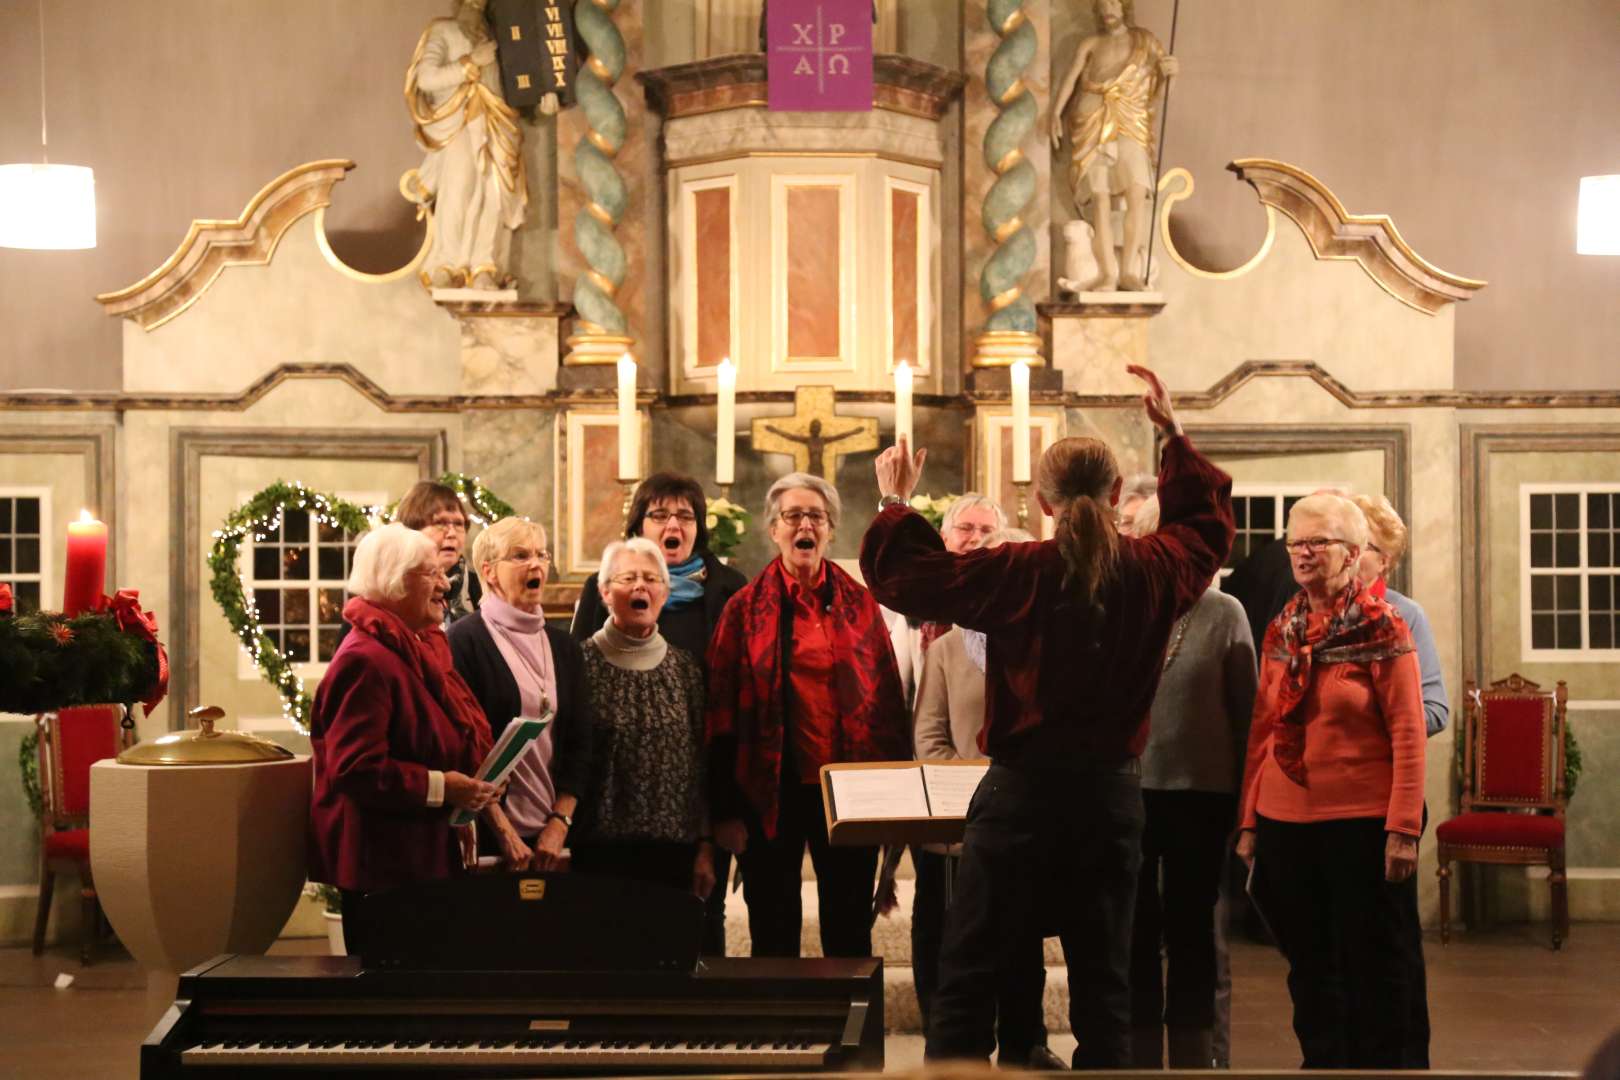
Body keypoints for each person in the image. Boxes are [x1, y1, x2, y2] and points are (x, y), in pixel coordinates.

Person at [861, 364, 1234, 1069]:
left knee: (969, 973)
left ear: (1042, 500)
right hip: (1111, 797)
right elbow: (1207, 528)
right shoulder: (1155, 568)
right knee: (1106, 984)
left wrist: (893, 499)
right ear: (1119, 493)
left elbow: (907, 578)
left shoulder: (1017, 568)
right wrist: (1175, 437)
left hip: (1021, 795)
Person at [1234, 493, 1427, 1070]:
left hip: (1362, 825)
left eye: (1318, 541)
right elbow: (1263, 730)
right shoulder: (1282, 628)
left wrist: (1402, 829)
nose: (1304, 552)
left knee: (1374, 968)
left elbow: (1409, 732)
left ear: (1352, 553)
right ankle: (1323, 1064)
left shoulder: (1384, 626)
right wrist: (1248, 821)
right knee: (1310, 966)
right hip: (1285, 823)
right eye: (1297, 541)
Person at [706, 472, 910, 959]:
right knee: (773, 928)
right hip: (769, 789)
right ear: (774, 529)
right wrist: (726, 810)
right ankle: (781, 1032)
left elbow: (885, 703)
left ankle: (852, 1033)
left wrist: (890, 795)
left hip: (848, 791)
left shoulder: (861, 603)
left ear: (831, 530)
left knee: (848, 930)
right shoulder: (743, 610)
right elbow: (720, 714)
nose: (805, 525)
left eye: (815, 516)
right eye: (793, 515)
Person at [571, 471, 747, 954]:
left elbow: (734, 708)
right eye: (660, 514)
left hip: (690, 803)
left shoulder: (730, 589)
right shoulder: (600, 590)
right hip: (605, 813)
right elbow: (577, 697)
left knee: (694, 930)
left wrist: (716, 823)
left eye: (685, 516)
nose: (674, 524)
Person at [308, 523, 500, 956]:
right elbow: (356, 769)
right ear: (394, 581)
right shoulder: (365, 660)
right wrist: (443, 787)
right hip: (385, 870)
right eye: (430, 573)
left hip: (420, 861)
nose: (445, 583)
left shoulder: (416, 647)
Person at [911, 526, 1061, 1071]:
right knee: (957, 944)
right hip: (961, 824)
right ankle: (957, 1055)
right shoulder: (948, 647)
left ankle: (1026, 1043)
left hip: (1032, 815)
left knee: (1023, 939)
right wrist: (982, 794)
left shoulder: (1050, 639)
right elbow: (929, 738)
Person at [1124, 496, 1257, 1069]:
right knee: (1132, 931)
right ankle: (1138, 1058)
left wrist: (1248, 812)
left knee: (1192, 932)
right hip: (1129, 791)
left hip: (1202, 796)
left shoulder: (1225, 611)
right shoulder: (1123, 606)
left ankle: (1196, 1057)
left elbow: (1248, 714)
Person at [1351, 491, 1447, 1069]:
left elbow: (1434, 710)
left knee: (1393, 945)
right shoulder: (1304, 612)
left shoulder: (1406, 616)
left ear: (1383, 560)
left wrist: (1368, 722)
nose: (1349, 555)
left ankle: (1406, 1060)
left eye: (1362, 547)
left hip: (1391, 799)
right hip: (1333, 802)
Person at [571, 538, 715, 898]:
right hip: (597, 850)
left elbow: (702, 762)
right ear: (604, 592)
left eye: (651, 579)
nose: (641, 586)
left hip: (674, 851)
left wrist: (706, 846)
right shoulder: (577, 663)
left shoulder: (685, 669)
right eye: (627, 578)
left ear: (664, 593)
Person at [448, 516, 593, 873]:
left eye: (541, 555)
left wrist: (560, 822)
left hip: (553, 834)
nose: (536, 564)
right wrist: (503, 831)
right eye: (520, 555)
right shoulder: (464, 641)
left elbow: (581, 743)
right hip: (489, 833)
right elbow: (463, 747)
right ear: (490, 571)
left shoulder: (565, 647)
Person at [1050, 0, 1178, 291]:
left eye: (1114, 2)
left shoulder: (1143, 40)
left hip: (1130, 120)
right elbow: (1071, 79)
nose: (1108, 9)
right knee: (1100, 198)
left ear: (1124, 7)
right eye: (1103, 3)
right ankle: (1107, 273)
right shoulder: (1091, 43)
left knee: (1136, 191)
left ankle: (1129, 272)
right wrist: (1056, 112)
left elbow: (1160, 83)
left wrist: (1172, 73)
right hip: (1093, 117)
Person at [405, 0, 527, 290]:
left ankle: (484, 266)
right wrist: (470, 63)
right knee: (459, 186)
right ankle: (447, 264)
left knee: (494, 191)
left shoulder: (502, 35)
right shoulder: (443, 31)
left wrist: (547, 92)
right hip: (459, 121)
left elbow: (521, 77)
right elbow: (426, 78)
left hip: (497, 121)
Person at [885, 494, 1008, 704]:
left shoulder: (1013, 602)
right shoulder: (916, 605)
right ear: (944, 538)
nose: (976, 539)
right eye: (965, 528)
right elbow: (896, 686)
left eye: (987, 531)